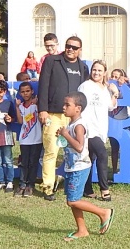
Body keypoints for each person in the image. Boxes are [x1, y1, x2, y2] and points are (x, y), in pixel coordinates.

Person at [56, 92, 115, 241]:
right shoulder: (71, 124)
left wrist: (66, 134)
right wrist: (63, 135)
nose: (64, 107)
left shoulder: (79, 125)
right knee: (72, 200)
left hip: (79, 167)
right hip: (72, 167)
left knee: (73, 201)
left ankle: (103, 213)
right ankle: (82, 230)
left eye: (67, 105)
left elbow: (79, 147)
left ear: (78, 108)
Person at [37, 35, 90, 200]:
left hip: (74, 118)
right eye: (68, 46)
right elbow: (43, 85)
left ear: (80, 50)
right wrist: (42, 110)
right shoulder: (52, 61)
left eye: (75, 47)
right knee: (51, 151)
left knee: (74, 152)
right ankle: (48, 187)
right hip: (53, 114)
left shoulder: (83, 67)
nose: (70, 49)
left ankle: (74, 184)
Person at [79, 60, 119, 201]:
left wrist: (115, 93)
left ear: (104, 72)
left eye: (99, 70)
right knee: (102, 154)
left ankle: (87, 189)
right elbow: (79, 105)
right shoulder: (85, 86)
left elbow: (110, 106)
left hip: (101, 128)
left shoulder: (105, 89)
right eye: (94, 70)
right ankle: (104, 189)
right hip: (88, 129)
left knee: (91, 158)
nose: (96, 73)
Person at [15, 81, 43, 198]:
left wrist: (37, 105)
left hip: (37, 139)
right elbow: (20, 121)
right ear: (20, 93)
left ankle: (30, 185)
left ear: (32, 91)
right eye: (23, 92)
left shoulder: (36, 105)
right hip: (25, 139)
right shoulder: (21, 106)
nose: (25, 93)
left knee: (33, 163)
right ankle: (22, 184)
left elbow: (41, 119)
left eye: (27, 91)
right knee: (24, 162)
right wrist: (17, 107)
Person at [109, 68, 130, 175]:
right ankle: (114, 169)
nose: (113, 79)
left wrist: (125, 82)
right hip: (111, 122)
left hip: (122, 122)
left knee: (125, 147)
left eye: (116, 77)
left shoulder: (125, 89)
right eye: (112, 76)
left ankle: (125, 170)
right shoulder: (108, 89)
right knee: (114, 148)